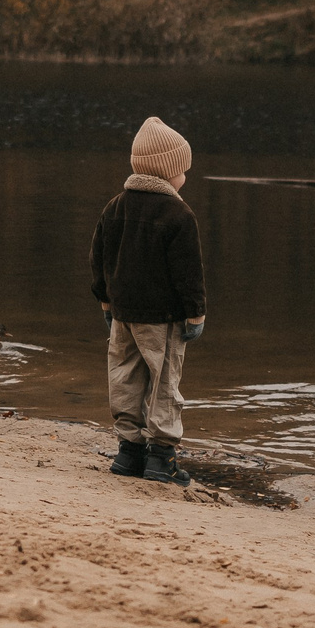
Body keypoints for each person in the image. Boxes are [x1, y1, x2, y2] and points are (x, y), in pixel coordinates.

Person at [89, 115, 207, 485]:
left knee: (124, 376)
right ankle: (161, 457)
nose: (184, 177)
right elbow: (189, 272)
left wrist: (106, 303)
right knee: (164, 381)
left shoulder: (115, 206)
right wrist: (196, 313)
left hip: (123, 314)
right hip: (163, 317)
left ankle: (129, 452)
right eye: (182, 170)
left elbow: (99, 258)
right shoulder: (179, 214)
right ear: (167, 171)